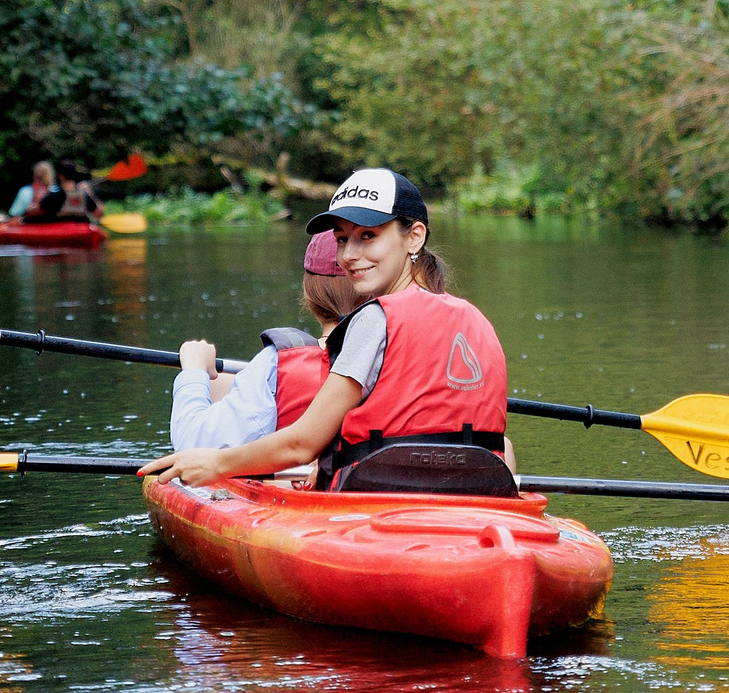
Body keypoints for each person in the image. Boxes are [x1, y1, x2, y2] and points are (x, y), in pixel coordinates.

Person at [140, 168, 509, 489]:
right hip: (469, 496)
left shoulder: (374, 318)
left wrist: (215, 463)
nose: (349, 255)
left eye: (368, 236)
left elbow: (301, 444)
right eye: (342, 238)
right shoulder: (475, 318)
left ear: (414, 236)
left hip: (382, 501)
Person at [170, 231, 362, 450]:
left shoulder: (277, 364)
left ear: (309, 291)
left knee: (215, 383)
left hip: (296, 481)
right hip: (374, 474)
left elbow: (191, 448)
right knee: (221, 382)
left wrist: (193, 373)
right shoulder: (400, 350)